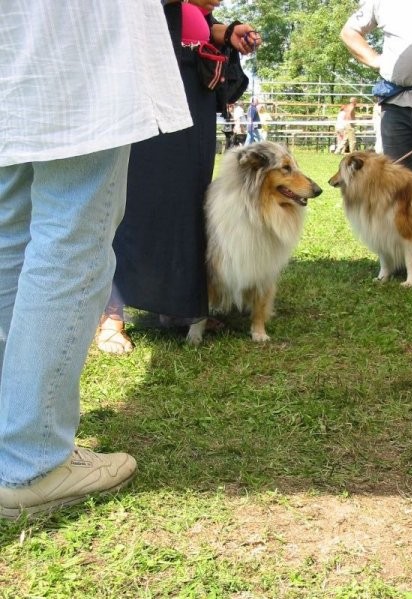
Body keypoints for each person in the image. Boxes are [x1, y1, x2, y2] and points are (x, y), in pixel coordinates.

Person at [0, 2, 194, 520]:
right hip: (76, 51)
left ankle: (10, 442)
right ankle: (31, 460)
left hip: (11, 48)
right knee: (71, 243)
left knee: (7, 241)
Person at [95, 1, 261, 354]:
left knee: (188, 206)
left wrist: (222, 32)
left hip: (191, 100)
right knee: (137, 203)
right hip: (146, 94)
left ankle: (179, 309)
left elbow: (189, 27)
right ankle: (112, 314)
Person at [340, 0, 412, 288]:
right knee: (393, 189)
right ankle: (399, 260)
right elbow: (349, 32)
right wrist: (377, 60)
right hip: (395, 105)